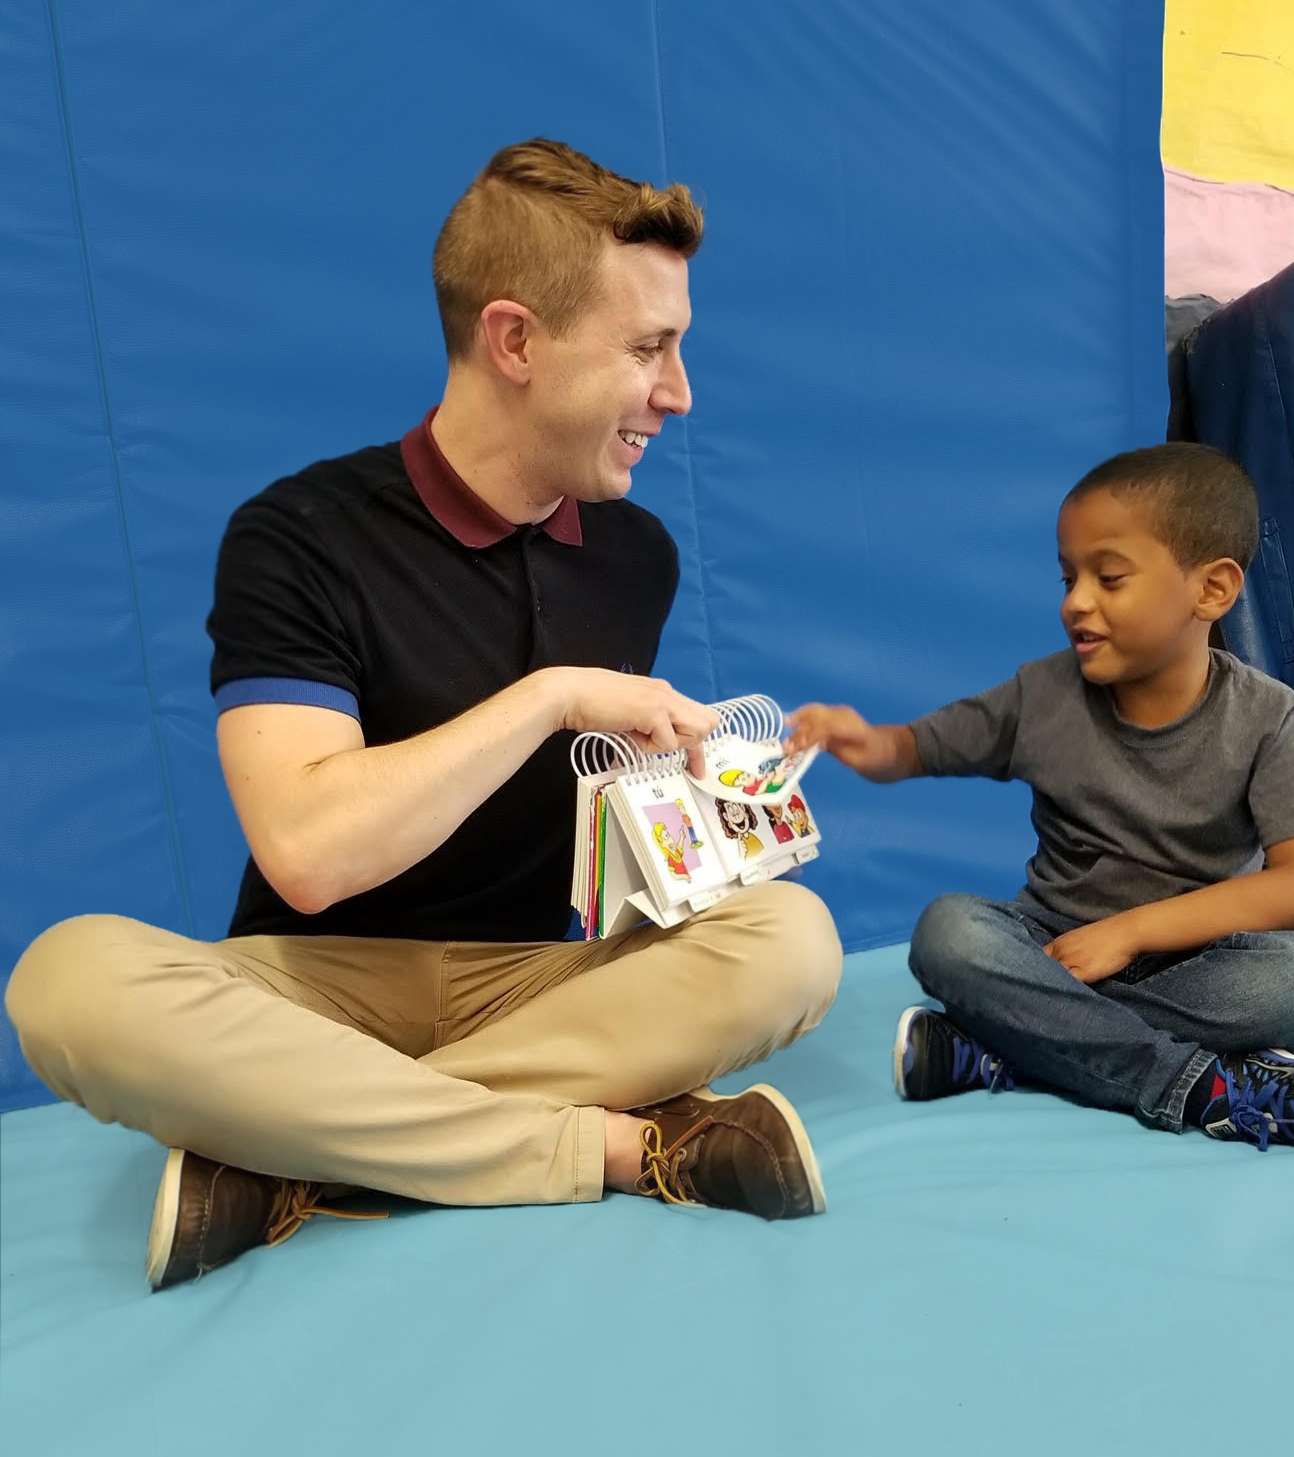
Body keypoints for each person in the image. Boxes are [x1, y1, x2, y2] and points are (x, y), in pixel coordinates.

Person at [5, 140, 842, 1291]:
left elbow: (587, 842)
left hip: (536, 977)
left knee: (793, 940)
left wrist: (693, 823)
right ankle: (601, 1145)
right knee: (67, 980)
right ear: (515, 341)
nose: (679, 391)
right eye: (648, 348)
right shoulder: (298, 538)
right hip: (315, 986)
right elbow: (309, 855)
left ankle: (298, 1151)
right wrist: (553, 696)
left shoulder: (636, 552)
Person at [788, 443, 1294, 1155]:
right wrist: (864, 740)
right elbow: (916, 748)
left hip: (1193, 962)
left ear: (1212, 590)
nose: (1075, 601)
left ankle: (1011, 1044)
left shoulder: (1268, 717)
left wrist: (1130, 933)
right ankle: (1203, 1089)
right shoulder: (1041, 695)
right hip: (1050, 947)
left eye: (1109, 578)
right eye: (1068, 577)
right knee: (949, 932)